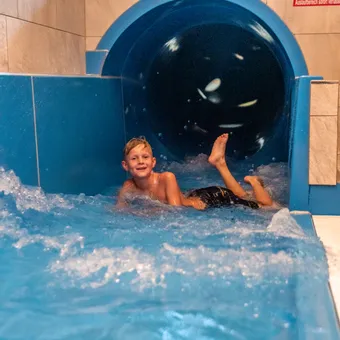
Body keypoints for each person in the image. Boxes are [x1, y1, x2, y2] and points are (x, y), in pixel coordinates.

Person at [117, 133, 276, 211]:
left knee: (265, 207)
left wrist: (145, 213)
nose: (140, 162)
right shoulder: (128, 185)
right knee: (242, 196)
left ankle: (255, 182)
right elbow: (119, 210)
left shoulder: (166, 178)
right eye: (134, 159)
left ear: (153, 162)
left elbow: (176, 210)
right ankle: (219, 162)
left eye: (145, 157)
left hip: (212, 198)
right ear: (125, 166)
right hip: (195, 195)